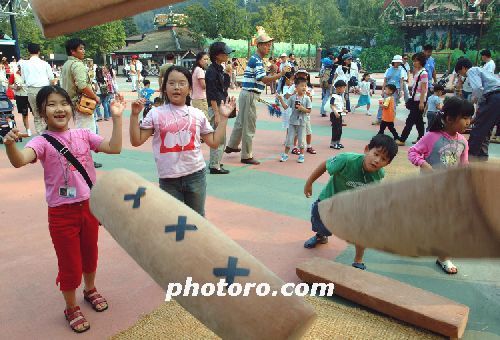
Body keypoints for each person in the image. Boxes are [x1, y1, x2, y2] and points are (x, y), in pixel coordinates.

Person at [3, 85, 125, 333]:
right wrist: (9, 146)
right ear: (42, 112)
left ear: (71, 107)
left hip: (90, 208)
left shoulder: (83, 134)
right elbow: (19, 161)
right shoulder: (41, 141)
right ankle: (71, 307)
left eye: (63, 103)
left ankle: (90, 290)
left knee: (90, 255)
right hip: (62, 214)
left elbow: (114, 148)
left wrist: (118, 118)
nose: (59, 109)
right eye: (51, 104)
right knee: (70, 263)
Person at [129, 66, 236, 216]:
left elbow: (213, 142)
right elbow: (136, 140)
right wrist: (134, 115)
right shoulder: (155, 113)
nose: (176, 88)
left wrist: (224, 118)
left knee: (197, 219)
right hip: (168, 179)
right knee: (173, 220)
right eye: (171, 83)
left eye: (182, 83)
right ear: (164, 88)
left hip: (195, 175)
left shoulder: (197, 114)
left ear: (190, 88)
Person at [303, 134, 398, 271]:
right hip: (329, 200)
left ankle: (358, 260)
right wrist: (309, 183)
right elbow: (325, 165)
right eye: (376, 154)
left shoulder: (379, 174)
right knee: (321, 223)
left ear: (387, 163)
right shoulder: (346, 160)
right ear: (367, 149)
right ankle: (321, 236)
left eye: (383, 159)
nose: (377, 160)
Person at [408, 96, 473, 274]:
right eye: (465, 118)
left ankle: (443, 256)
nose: (469, 122)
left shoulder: (463, 142)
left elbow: (463, 165)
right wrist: (423, 164)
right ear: (450, 118)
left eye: (469, 117)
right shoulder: (431, 137)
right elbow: (413, 152)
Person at [225, 32, 290, 165]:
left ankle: (231, 145)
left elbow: (262, 77)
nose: (268, 47)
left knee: (241, 122)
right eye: (266, 45)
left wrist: (273, 72)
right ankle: (246, 155)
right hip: (250, 94)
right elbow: (263, 79)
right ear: (259, 45)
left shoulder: (257, 59)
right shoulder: (257, 60)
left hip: (246, 94)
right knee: (249, 125)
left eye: (269, 45)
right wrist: (280, 74)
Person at [61, 38, 102, 168]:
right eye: (81, 49)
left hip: (71, 102)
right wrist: (95, 97)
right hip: (82, 104)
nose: (83, 51)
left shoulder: (67, 64)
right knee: (86, 132)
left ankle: (82, 157)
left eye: (83, 48)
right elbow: (82, 85)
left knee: (81, 129)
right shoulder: (77, 65)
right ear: (73, 51)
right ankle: (84, 159)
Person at [455, 58, 500, 160]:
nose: (462, 76)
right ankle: (482, 156)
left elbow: (478, 88)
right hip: (495, 96)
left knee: (479, 128)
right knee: (487, 127)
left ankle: (468, 157)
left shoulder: (471, 71)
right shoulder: (481, 70)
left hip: (494, 97)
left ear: (463, 68)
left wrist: (478, 103)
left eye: (460, 72)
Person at [206, 42, 233, 175]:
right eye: (225, 53)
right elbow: (211, 93)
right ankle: (214, 165)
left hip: (221, 106)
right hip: (215, 107)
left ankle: (215, 161)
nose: (227, 55)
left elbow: (224, 88)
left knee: (221, 137)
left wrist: (228, 73)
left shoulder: (219, 69)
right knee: (218, 137)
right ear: (217, 55)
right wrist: (216, 113)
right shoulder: (211, 71)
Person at [19, 43, 55, 135]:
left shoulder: (24, 64)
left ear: (28, 51)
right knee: (48, 112)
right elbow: (51, 79)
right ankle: (51, 132)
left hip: (31, 90)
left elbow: (23, 79)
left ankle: (42, 135)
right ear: (39, 51)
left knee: (37, 114)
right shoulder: (45, 63)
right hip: (45, 89)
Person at [277, 77, 311, 163]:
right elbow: (285, 107)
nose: (304, 87)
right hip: (292, 122)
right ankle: (285, 154)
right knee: (289, 138)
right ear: (296, 88)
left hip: (302, 122)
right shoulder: (292, 98)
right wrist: (281, 99)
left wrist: (302, 109)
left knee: (301, 139)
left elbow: (309, 110)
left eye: (305, 86)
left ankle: (301, 155)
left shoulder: (307, 98)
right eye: (302, 86)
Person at [396, 52, 428, 146]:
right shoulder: (418, 72)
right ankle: (421, 139)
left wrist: (421, 102)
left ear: (421, 61)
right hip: (416, 99)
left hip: (419, 100)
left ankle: (402, 139)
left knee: (410, 120)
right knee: (418, 121)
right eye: (413, 61)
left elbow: (423, 89)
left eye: (416, 61)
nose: (414, 62)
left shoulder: (423, 73)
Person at [374, 55, 405, 125]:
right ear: (393, 62)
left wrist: (401, 91)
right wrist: (382, 90)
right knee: (382, 104)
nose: (398, 63)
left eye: (399, 62)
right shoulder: (388, 70)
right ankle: (379, 119)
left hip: (395, 90)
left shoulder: (401, 70)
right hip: (387, 90)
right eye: (396, 62)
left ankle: (390, 120)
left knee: (392, 106)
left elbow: (401, 81)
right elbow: (385, 81)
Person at [9, 65, 32, 136]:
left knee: (36, 112)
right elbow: (10, 85)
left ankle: (40, 129)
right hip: (21, 96)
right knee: (25, 114)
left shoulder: (30, 74)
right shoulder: (14, 75)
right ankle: (28, 129)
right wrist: (15, 87)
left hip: (30, 95)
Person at [328, 80, 347, 150]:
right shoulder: (334, 96)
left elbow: (339, 106)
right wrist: (335, 112)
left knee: (339, 129)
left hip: (340, 114)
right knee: (335, 129)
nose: (344, 89)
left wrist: (343, 110)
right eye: (343, 88)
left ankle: (337, 142)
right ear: (338, 88)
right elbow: (332, 105)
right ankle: (333, 143)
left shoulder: (340, 96)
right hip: (335, 114)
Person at [191, 52, 209, 120]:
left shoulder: (195, 69)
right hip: (201, 98)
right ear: (199, 60)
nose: (206, 61)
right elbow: (203, 86)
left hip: (195, 98)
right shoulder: (199, 70)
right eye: (204, 59)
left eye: (207, 59)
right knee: (204, 119)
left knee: (198, 119)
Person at [319, 52, 335, 117]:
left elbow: (320, 75)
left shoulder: (323, 70)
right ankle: (323, 111)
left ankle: (322, 110)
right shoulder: (331, 70)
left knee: (324, 96)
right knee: (326, 97)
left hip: (322, 83)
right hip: (328, 84)